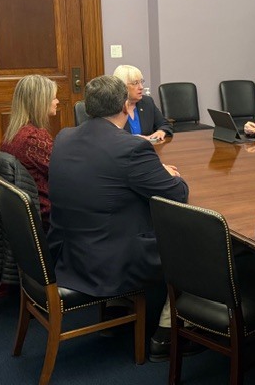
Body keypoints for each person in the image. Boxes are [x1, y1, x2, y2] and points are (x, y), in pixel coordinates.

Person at [47, 75, 189, 360]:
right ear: (126, 106)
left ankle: (119, 306)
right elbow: (176, 194)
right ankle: (165, 331)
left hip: (69, 252)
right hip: (110, 263)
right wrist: (167, 174)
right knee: (187, 239)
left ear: (88, 108)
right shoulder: (131, 148)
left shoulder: (64, 136)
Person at [0, 75, 58, 232]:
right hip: (47, 215)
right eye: (53, 98)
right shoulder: (34, 137)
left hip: (29, 215)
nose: (57, 101)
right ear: (40, 102)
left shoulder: (13, 134)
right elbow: (63, 172)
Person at [113, 64, 173, 141]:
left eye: (141, 82)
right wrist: (135, 139)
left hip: (147, 150)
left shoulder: (147, 102)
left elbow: (165, 124)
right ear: (122, 86)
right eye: (135, 83)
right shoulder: (112, 107)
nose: (141, 87)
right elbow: (108, 136)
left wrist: (161, 131)